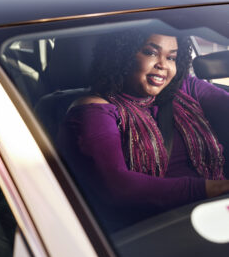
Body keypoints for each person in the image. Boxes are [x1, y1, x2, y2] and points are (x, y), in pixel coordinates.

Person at [58, 30, 229, 231]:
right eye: (150, 53)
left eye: (171, 57)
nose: (163, 65)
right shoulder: (93, 110)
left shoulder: (186, 89)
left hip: (217, 214)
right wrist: (216, 188)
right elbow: (118, 186)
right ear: (120, 55)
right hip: (159, 231)